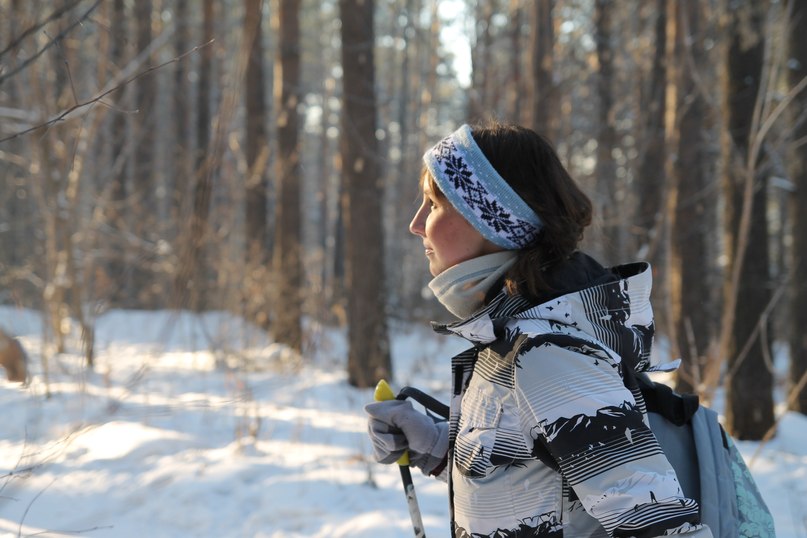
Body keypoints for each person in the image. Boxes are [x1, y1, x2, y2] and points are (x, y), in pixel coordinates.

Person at [365, 122, 714, 537]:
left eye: (434, 204)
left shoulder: (550, 356)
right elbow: (538, 486)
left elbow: (657, 524)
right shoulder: (510, 339)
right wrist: (436, 447)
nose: (416, 223)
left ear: (490, 220)